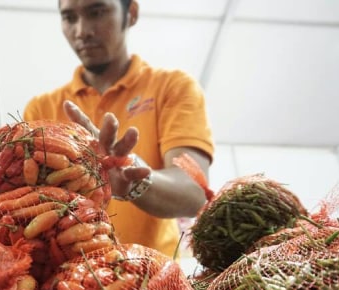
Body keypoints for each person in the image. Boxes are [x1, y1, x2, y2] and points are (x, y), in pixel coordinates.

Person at [23, 0, 214, 257]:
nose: (82, 30)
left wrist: (134, 178)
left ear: (131, 13)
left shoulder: (172, 87)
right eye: (69, 17)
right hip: (69, 285)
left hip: (155, 282)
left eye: (97, 12)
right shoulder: (40, 110)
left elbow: (194, 193)